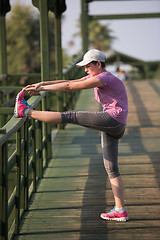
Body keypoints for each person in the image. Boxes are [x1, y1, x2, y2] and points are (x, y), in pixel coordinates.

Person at [14, 49, 129, 222]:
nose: (85, 70)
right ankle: (120, 210)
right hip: (117, 125)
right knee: (112, 169)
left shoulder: (104, 78)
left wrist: (44, 88)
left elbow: (69, 87)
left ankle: (25, 111)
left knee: (70, 116)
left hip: (112, 119)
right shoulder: (98, 76)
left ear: (99, 64)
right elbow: (69, 81)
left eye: (88, 66)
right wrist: (42, 84)